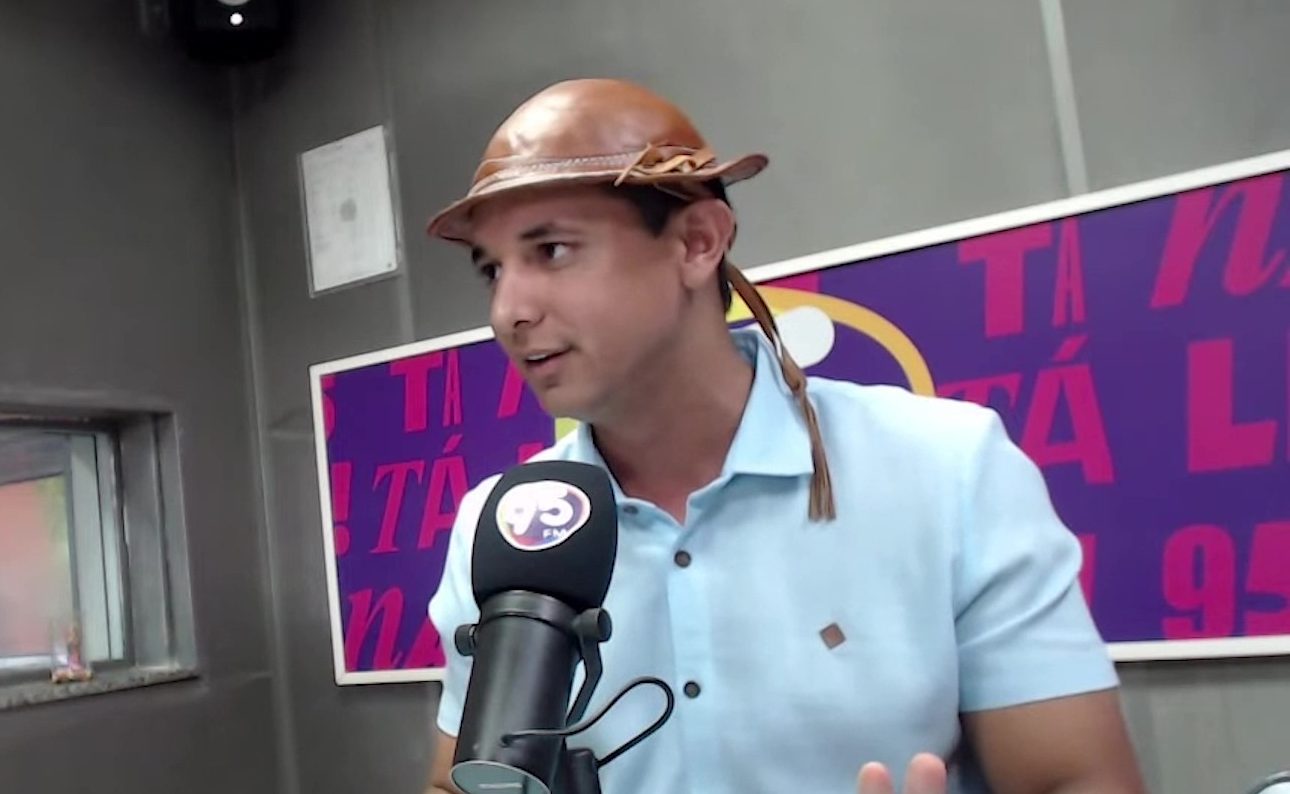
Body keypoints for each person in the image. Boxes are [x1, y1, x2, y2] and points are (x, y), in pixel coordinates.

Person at [421, 78, 1146, 794]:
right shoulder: (505, 525)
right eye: (492, 270)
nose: (508, 311)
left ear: (698, 243)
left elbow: (1076, 779)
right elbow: (461, 785)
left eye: (551, 251)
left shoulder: (948, 468)